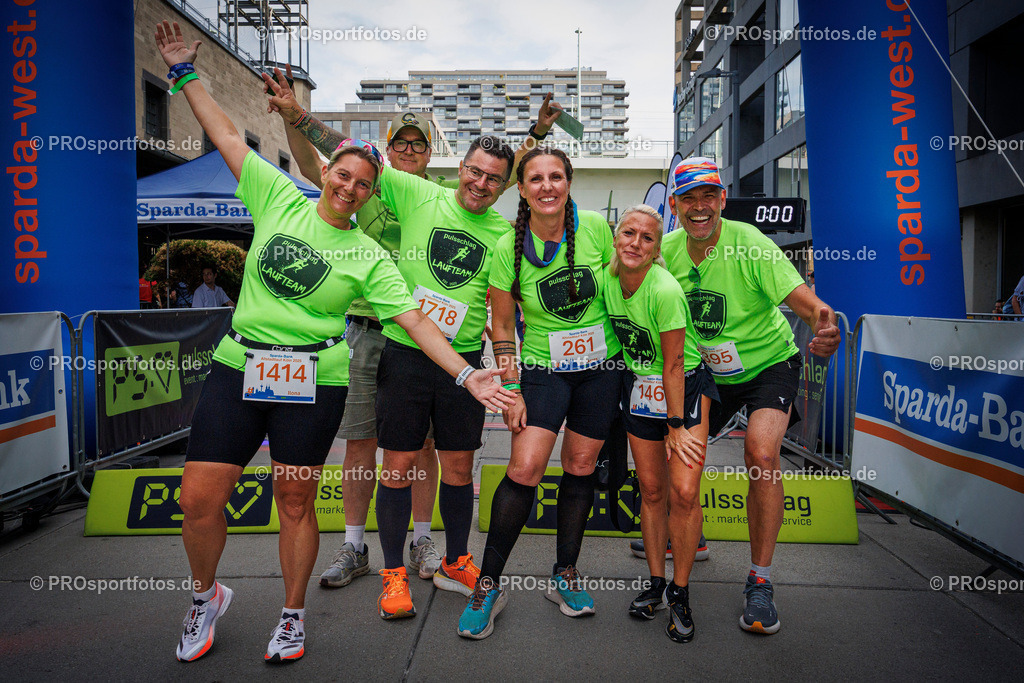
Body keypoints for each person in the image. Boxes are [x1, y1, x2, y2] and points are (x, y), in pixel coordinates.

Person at [154, 21, 514, 664]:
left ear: (373, 194)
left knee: (295, 499)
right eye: (342, 176)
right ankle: (205, 596)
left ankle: (292, 617)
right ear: (327, 175)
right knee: (198, 499)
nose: (349, 187)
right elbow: (226, 134)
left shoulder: (370, 255)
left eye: (362, 184)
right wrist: (183, 73)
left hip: (313, 377)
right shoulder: (276, 197)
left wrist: (469, 373)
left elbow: (415, 320)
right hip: (239, 366)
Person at [266, 77, 455, 590]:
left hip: (419, 335)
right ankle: (354, 545)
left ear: (430, 153)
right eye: (401, 143)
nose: (409, 150)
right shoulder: (361, 185)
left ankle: (422, 539)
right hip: (366, 331)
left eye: (419, 144)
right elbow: (311, 164)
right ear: (388, 150)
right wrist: (290, 115)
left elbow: (491, 191)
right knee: (360, 442)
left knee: (422, 446)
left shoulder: (440, 198)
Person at [661, 156, 840, 635]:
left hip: (768, 365)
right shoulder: (666, 250)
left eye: (708, 195)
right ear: (674, 205)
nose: (699, 207)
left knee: (761, 455)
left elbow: (808, 305)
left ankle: (760, 580)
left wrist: (824, 326)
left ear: (722, 199)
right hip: (707, 372)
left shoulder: (751, 244)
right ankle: (690, 536)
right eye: (688, 198)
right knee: (679, 460)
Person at [459, 145, 625, 639]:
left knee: (580, 467)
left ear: (568, 182)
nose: (547, 186)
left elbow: (623, 287)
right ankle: (488, 584)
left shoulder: (595, 228)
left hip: (601, 368)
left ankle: (565, 573)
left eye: (556, 177)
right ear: (522, 188)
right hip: (542, 368)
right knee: (525, 468)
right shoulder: (505, 247)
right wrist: (511, 387)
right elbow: (502, 326)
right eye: (536, 179)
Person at [602, 204, 717, 643]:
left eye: (647, 238)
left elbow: (674, 364)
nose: (636, 243)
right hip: (639, 391)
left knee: (683, 492)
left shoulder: (664, 289)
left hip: (682, 391)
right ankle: (655, 583)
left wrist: (675, 425)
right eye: (628, 233)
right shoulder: (607, 280)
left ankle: (681, 592)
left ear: (656, 250)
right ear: (616, 238)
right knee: (651, 491)